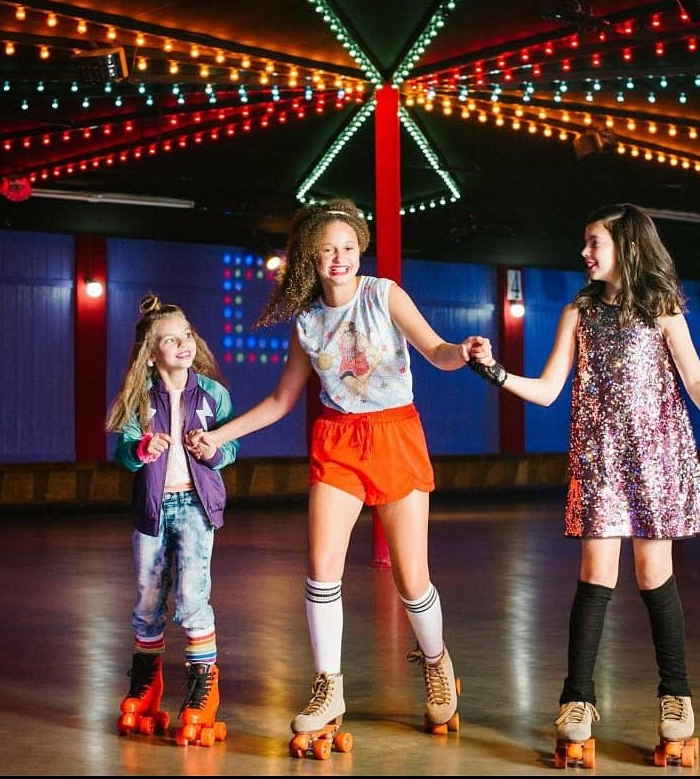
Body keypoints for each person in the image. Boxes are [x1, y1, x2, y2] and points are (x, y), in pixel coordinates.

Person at [187, 198, 491, 743]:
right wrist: (217, 436)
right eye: (327, 250)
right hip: (338, 440)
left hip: (395, 434)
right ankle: (329, 686)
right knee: (321, 566)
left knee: (409, 577)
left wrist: (462, 351)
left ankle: (437, 663)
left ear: (360, 250)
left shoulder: (384, 295)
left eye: (347, 248)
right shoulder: (309, 321)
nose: (339, 258)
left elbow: (435, 350)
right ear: (311, 255)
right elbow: (281, 401)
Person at [466, 203, 700, 755]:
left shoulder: (662, 309)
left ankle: (676, 696)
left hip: (657, 455)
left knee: (653, 573)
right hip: (600, 458)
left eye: (595, 243)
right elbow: (546, 390)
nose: (585, 253)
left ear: (627, 248)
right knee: (595, 575)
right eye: (586, 243)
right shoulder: (578, 314)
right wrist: (493, 370)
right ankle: (577, 698)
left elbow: (696, 376)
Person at [105, 294, 240, 745]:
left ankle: (204, 688)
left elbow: (232, 446)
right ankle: (147, 684)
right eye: (169, 340)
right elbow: (123, 455)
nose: (181, 344)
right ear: (151, 351)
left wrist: (215, 451)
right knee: (147, 597)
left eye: (186, 336)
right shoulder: (141, 399)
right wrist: (140, 450)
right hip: (154, 508)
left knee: (191, 596)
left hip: (197, 506)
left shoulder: (213, 393)